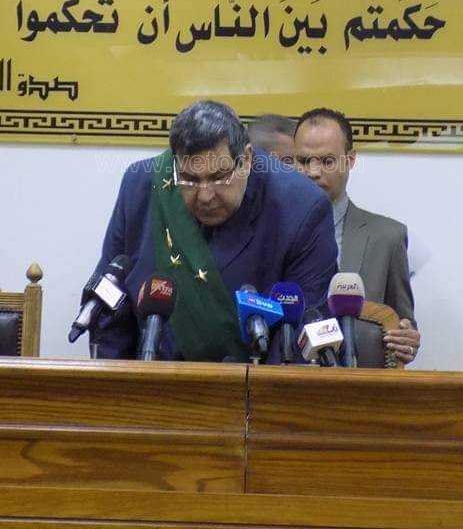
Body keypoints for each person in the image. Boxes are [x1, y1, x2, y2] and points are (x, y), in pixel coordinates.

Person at [91, 99, 337, 361]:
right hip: (153, 378)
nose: (205, 195)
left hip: (257, 380)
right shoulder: (141, 186)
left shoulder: (302, 208)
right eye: (190, 179)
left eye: (219, 177)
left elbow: (306, 332)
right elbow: (111, 309)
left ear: (247, 159)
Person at [293, 108, 420, 367]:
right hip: (285, 382)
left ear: (350, 160)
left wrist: (407, 340)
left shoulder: (387, 237)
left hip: (362, 382)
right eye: (304, 161)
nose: (313, 172)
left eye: (327, 161)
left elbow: (403, 324)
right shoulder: (271, 232)